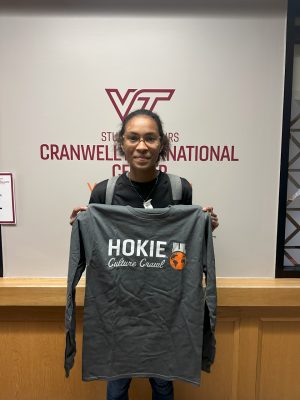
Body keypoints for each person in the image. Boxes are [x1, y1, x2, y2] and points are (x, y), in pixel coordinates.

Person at [69, 109, 219, 400]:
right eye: (133, 138)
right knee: (116, 387)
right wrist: (81, 228)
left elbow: (183, 245)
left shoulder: (179, 189)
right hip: (117, 312)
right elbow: (97, 251)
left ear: (162, 144)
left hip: (165, 310)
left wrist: (204, 227)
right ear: (121, 143)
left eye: (150, 138)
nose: (142, 146)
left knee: (163, 386)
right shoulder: (105, 192)